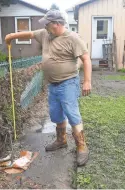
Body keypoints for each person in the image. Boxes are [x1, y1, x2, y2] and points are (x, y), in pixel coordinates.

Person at [5, 9, 92, 166]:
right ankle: (61, 140)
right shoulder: (46, 34)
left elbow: (86, 59)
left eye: (47, 24)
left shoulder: (72, 38)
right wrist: (12, 36)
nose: (44, 26)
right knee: (56, 114)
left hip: (68, 83)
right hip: (52, 84)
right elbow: (30, 34)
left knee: (72, 114)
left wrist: (87, 81)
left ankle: (81, 146)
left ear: (57, 24)